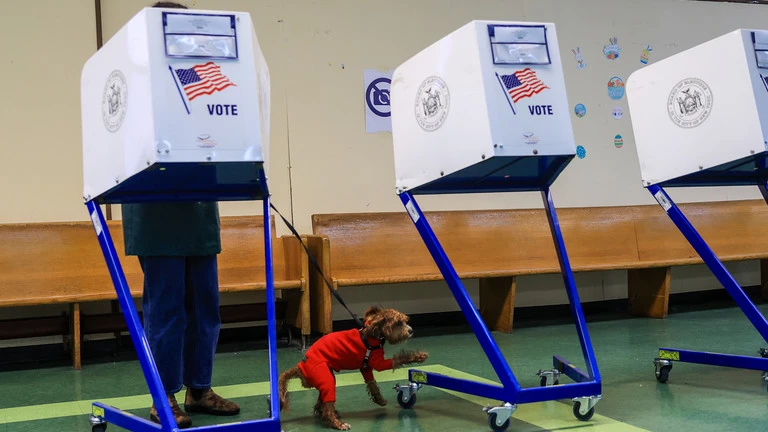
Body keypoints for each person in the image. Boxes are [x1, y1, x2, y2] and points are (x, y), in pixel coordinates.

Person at [120, 1, 240, 428]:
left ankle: (199, 388)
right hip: (155, 212)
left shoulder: (204, 74)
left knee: (206, 305)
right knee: (166, 309)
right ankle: (162, 395)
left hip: (198, 208)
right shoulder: (135, 78)